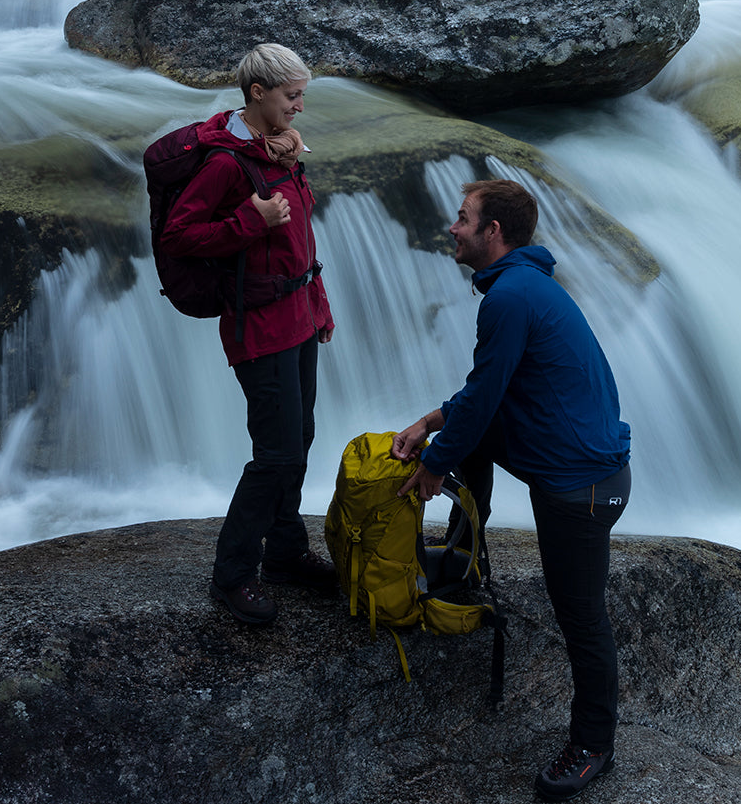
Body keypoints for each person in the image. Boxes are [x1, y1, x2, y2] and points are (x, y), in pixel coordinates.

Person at [391, 179, 632, 802]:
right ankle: (464, 561)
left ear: (493, 232)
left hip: (581, 485)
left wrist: (435, 462)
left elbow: (485, 397)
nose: (453, 227)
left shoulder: (511, 298)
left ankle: (593, 744)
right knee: (472, 435)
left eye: (464, 218)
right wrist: (429, 424)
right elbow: (481, 394)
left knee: (581, 617)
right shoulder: (523, 285)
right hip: (568, 456)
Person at [156, 43, 337, 625]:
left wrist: (320, 307)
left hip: (299, 315)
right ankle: (234, 573)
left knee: (301, 437)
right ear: (257, 94)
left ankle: (285, 553)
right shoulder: (226, 163)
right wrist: (246, 222)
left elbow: (301, 240)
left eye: (302, 95)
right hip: (258, 325)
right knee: (277, 452)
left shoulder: (277, 151)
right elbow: (179, 236)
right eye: (292, 96)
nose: (300, 108)